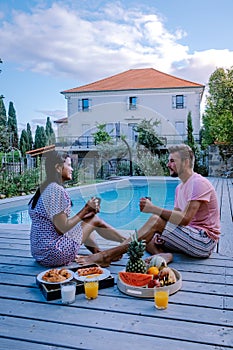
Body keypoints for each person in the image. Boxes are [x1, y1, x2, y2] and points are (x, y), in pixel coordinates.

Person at [76, 144, 220, 267]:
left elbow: (184, 219)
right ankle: (163, 255)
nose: (168, 164)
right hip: (188, 236)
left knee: (155, 220)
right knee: (148, 236)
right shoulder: (180, 188)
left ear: (186, 162)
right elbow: (174, 217)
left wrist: (153, 209)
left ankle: (107, 255)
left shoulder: (198, 183)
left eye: (172, 161)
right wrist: (160, 232)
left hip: (204, 242)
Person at [28, 150, 126, 267]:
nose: (72, 169)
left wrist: (87, 212)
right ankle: (127, 242)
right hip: (52, 253)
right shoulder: (55, 190)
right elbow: (62, 228)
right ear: (58, 168)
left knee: (88, 218)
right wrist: (85, 209)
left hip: (40, 253)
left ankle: (98, 253)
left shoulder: (45, 188)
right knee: (93, 220)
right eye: (69, 165)